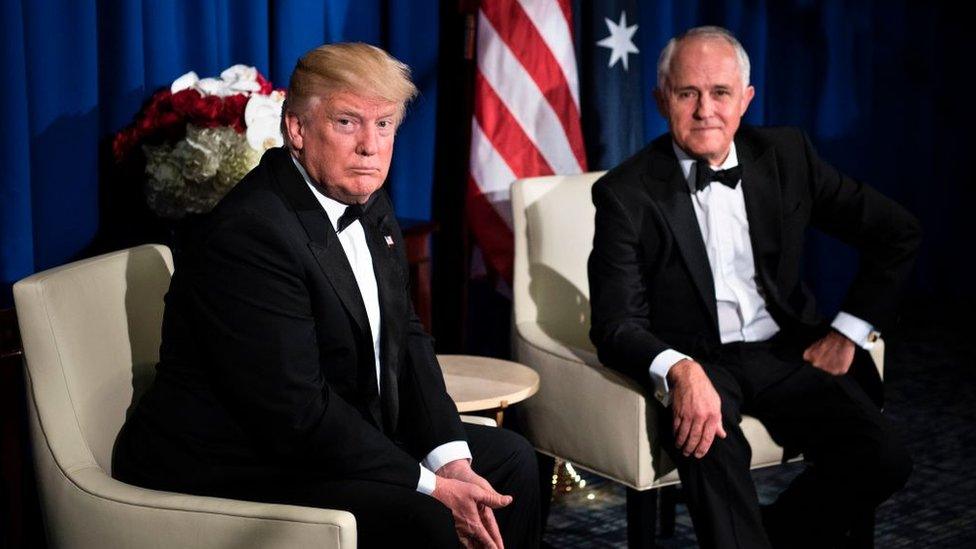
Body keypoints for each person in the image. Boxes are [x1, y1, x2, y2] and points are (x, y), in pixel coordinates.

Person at [113, 42, 539, 549]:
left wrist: (452, 461)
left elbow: (406, 335)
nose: (371, 146)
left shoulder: (367, 198)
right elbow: (295, 413)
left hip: (322, 433)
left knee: (511, 462)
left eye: (384, 125)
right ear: (296, 128)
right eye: (347, 122)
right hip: (235, 459)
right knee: (421, 512)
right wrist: (429, 483)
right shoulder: (250, 234)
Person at [588, 26, 919, 548]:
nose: (705, 111)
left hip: (784, 350)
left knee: (884, 455)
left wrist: (847, 332)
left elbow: (896, 233)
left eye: (720, 93)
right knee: (707, 441)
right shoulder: (625, 193)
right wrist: (678, 369)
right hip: (698, 360)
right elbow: (614, 323)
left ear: (745, 100)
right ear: (660, 100)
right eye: (687, 93)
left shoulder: (787, 156)